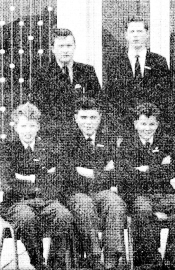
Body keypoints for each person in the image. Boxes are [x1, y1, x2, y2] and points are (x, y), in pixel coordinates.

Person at [0, 103, 74, 270]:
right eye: (23, 126)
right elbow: (7, 183)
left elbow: (57, 180)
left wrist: (26, 178)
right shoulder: (6, 149)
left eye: (32, 126)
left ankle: (56, 265)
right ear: (16, 126)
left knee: (64, 216)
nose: (28, 130)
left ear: (38, 127)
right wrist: (39, 180)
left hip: (45, 200)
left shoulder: (48, 149)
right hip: (17, 203)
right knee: (27, 218)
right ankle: (39, 264)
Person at [118, 103, 175, 269]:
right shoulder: (126, 146)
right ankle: (150, 258)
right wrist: (159, 167)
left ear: (157, 124)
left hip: (164, 193)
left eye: (152, 124)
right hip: (137, 194)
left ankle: (174, 257)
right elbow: (128, 175)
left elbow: (173, 169)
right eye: (143, 124)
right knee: (143, 211)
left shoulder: (164, 142)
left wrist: (147, 169)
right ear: (136, 124)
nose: (147, 128)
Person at [60, 97, 126, 270]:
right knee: (84, 204)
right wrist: (102, 171)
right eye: (83, 117)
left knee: (116, 203)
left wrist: (88, 172)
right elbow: (68, 174)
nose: (88, 122)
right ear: (75, 118)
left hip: (101, 192)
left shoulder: (109, 139)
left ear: (100, 118)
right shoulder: (67, 141)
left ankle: (112, 259)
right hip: (76, 194)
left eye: (92, 117)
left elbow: (116, 173)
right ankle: (94, 256)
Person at [104, 17, 173, 135]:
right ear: (126, 35)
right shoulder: (115, 63)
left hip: (152, 127)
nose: (136, 35)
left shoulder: (159, 62)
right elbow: (110, 97)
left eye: (140, 31)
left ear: (147, 34)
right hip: (124, 127)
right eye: (132, 31)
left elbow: (166, 96)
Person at [30, 28, 101, 136]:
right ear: (53, 49)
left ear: (74, 47)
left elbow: (98, 102)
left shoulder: (87, 71)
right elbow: (38, 109)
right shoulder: (42, 75)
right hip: (55, 135)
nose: (65, 50)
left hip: (84, 134)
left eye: (69, 46)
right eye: (61, 46)